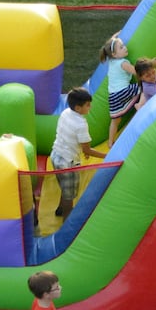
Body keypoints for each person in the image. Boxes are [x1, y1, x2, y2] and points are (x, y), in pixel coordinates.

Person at [49, 88, 105, 219]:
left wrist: (84, 150)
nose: (90, 107)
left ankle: (60, 208)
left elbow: (71, 137)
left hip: (56, 155)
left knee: (64, 186)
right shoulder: (81, 124)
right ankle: (66, 220)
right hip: (68, 162)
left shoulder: (66, 112)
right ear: (78, 108)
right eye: (88, 105)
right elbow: (87, 149)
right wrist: (106, 156)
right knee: (70, 195)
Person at [101, 32, 139, 146]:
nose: (125, 47)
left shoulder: (112, 61)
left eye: (124, 45)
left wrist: (115, 36)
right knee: (144, 88)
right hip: (124, 91)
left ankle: (110, 142)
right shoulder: (123, 63)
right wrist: (151, 64)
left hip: (113, 96)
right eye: (121, 47)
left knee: (116, 120)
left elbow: (111, 45)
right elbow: (137, 72)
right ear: (114, 54)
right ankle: (140, 106)